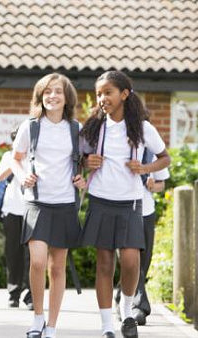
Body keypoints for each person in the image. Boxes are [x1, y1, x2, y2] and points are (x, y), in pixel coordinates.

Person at [80, 70, 170, 338]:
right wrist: (86, 163)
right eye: (98, 94)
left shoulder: (142, 128)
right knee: (105, 264)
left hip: (130, 203)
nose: (102, 98)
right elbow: (78, 160)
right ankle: (107, 324)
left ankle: (127, 310)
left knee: (132, 262)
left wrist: (144, 168)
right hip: (100, 200)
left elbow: (165, 158)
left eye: (108, 92)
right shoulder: (94, 127)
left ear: (124, 94)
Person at [11, 73, 86, 338]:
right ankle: (37, 319)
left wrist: (83, 178)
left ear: (67, 98)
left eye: (58, 92)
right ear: (40, 96)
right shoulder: (30, 127)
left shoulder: (76, 129)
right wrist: (22, 177)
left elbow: (91, 160)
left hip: (65, 204)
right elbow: (15, 158)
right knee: (38, 262)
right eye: (47, 92)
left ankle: (52, 326)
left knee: (57, 268)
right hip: (37, 203)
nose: (52, 96)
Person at [115, 152, 169, 325]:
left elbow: (162, 184)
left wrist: (153, 186)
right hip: (122, 210)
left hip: (146, 212)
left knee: (144, 261)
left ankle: (121, 298)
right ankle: (139, 306)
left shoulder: (152, 151)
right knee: (130, 261)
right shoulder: (119, 145)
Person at [0, 126, 33, 310]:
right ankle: (14, 293)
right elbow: (0, 176)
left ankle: (31, 294)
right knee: (13, 253)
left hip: (32, 210)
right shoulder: (8, 157)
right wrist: (15, 160)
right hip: (12, 210)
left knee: (32, 255)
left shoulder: (35, 156)